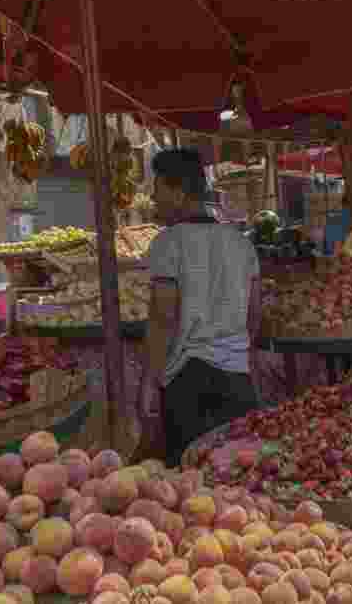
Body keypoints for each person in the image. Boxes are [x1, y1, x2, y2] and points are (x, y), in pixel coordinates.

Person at [139, 149, 261, 468]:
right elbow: (254, 313)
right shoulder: (241, 243)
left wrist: (150, 381)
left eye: (158, 189)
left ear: (178, 193)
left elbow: (163, 317)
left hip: (187, 381)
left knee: (189, 483)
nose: (153, 198)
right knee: (238, 478)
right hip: (238, 380)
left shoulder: (168, 243)